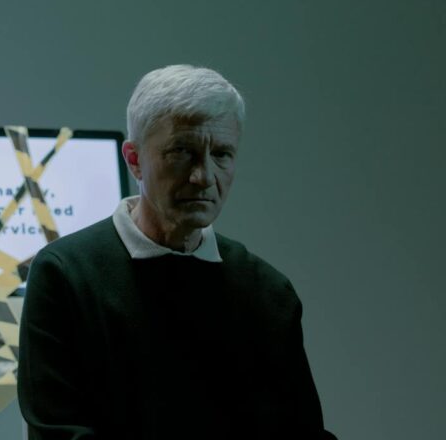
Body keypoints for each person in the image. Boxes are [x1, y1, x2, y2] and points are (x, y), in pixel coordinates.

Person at [18, 65, 336, 439]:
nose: (203, 176)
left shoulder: (267, 292)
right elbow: (58, 432)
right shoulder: (65, 276)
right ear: (134, 160)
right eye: (182, 152)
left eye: (221, 154)